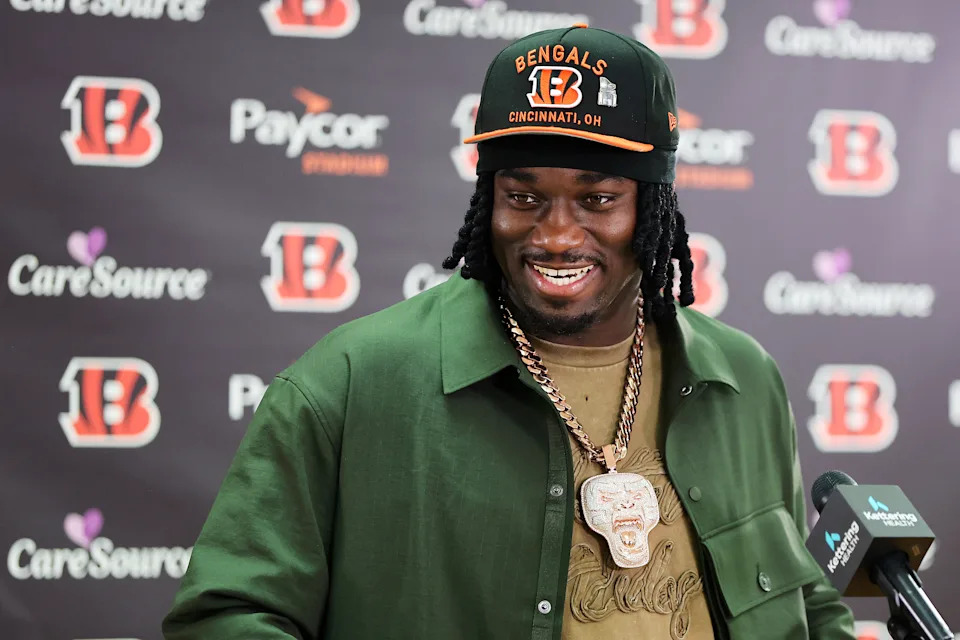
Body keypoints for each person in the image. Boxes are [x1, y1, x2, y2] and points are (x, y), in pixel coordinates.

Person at [162, 25, 855, 640]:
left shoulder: (742, 378)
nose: (554, 236)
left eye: (597, 199)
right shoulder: (348, 382)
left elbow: (809, 608)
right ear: (486, 200)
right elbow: (226, 614)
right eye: (522, 198)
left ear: (655, 203)